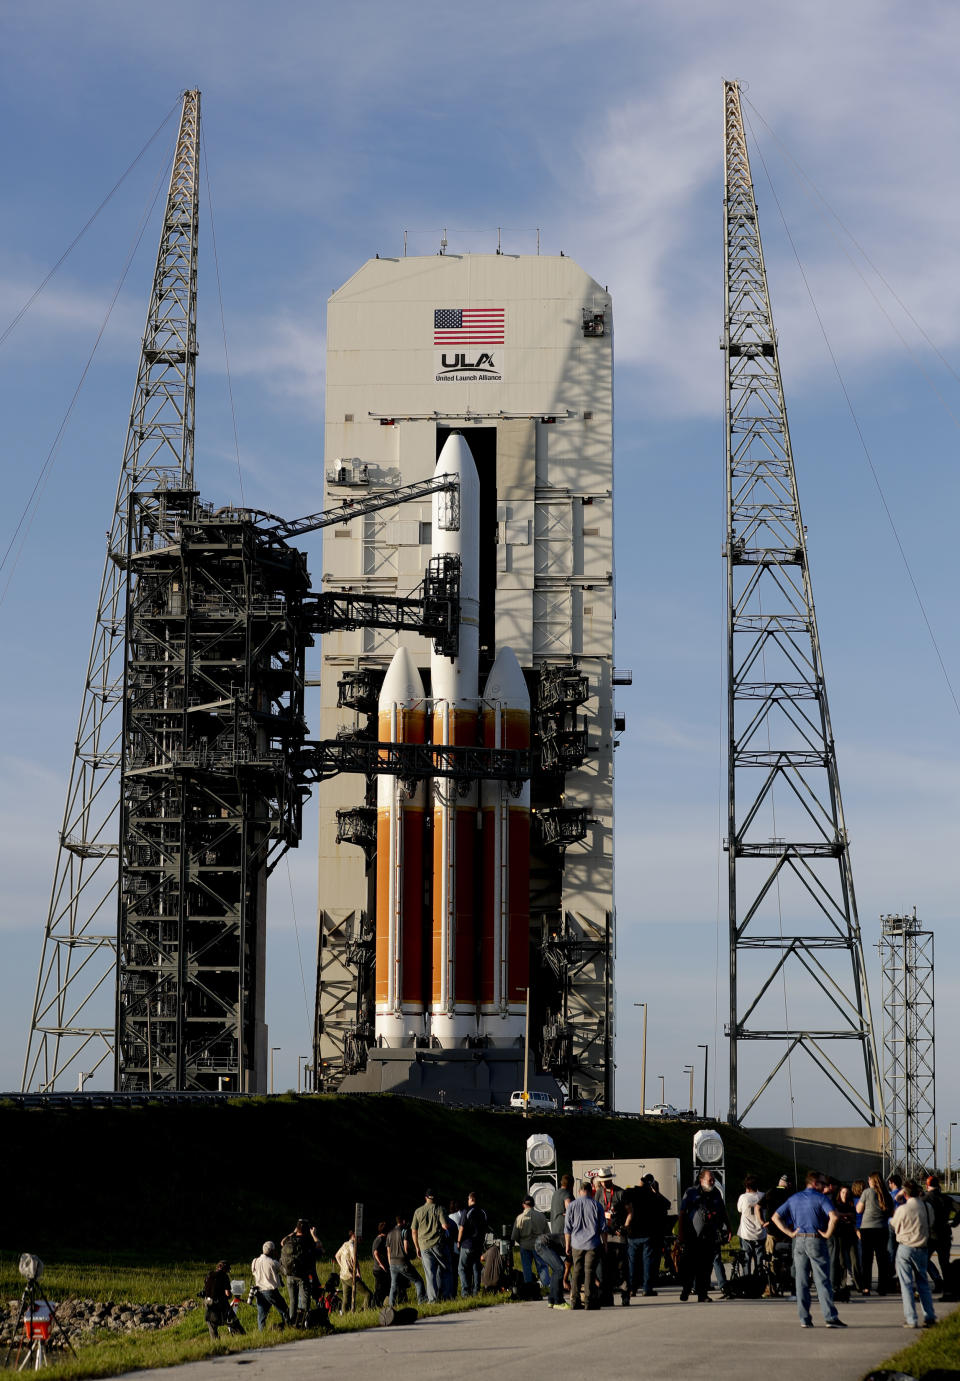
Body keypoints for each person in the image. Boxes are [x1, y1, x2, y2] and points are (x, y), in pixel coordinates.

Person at [772, 1170, 845, 1329]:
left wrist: (789, 1232)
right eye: (822, 1183)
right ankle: (830, 1317)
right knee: (822, 1280)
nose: (825, 1186)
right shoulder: (821, 1198)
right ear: (814, 1183)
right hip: (815, 1239)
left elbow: (775, 1217)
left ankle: (804, 1318)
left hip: (798, 1241)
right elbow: (834, 1216)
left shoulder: (794, 1198)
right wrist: (827, 1234)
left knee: (801, 1280)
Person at [891, 1179, 937, 1329]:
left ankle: (911, 1318)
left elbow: (894, 1225)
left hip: (905, 1247)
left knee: (906, 1284)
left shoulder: (902, 1209)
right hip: (922, 1247)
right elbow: (930, 1223)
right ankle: (929, 1315)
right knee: (923, 1282)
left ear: (905, 1194)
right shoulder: (927, 1206)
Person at [677, 1169, 726, 1302]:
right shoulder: (691, 1193)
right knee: (690, 1265)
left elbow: (722, 1211)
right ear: (701, 1180)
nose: (712, 1182)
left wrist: (727, 1227)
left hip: (709, 1237)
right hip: (692, 1237)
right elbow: (682, 1213)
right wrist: (681, 1234)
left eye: (713, 1179)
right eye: (710, 1179)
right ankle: (686, 1288)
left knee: (706, 1267)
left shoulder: (716, 1193)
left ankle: (702, 1294)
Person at [622, 1174, 669, 1296]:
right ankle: (647, 1289)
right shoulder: (652, 1195)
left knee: (633, 1262)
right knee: (647, 1262)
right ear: (651, 1184)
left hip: (633, 1233)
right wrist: (656, 1192)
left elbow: (623, 1204)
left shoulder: (630, 1192)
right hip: (648, 1233)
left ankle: (632, 1289)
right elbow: (667, 1204)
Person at [565, 1181, 607, 1310]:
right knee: (589, 1272)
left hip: (576, 1244)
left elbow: (567, 1228)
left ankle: (574, 1300)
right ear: (591, 1191)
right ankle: (589, 1301)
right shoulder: (597, 1205)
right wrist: (605, 1244)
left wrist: (568, 1245)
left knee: (577, 1271)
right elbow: (603, 1228)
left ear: (579, 1192)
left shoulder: (572, 1206)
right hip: (592, 1244)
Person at [593, 1167, 629, 1305]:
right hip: (604, 1235)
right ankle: (608, 1298)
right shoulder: (598, 1194)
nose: (604, 1183)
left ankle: (625, 1295)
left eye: (606, 1181)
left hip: (618, 1235)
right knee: (606, 1267)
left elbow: (630, 1212)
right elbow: (595, 1212)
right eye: (602, 1181)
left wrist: (624, 1227)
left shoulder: (620, 1193)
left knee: (621, 1267)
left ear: (610, 1179)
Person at [856, 1172, 893, 1295]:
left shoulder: (867, 1192)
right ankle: (883, 1287)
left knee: (867, 1260)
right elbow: (891, 1212)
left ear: (872, 1180)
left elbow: (859, 1209)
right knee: (882, 1260)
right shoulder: (886, 1194)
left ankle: (866, 1287)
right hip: (882, 1229)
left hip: (867, 1229)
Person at [411, 1188, 451, 1301]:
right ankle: (446, 1296)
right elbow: (445, 1226)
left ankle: (432, 1299)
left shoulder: (418, 1211)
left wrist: (416, 1247)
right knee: (446, 1269)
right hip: (438, 1244)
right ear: (435, 1198)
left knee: (430, 1274)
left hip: (424, 1246)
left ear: (426, 1197)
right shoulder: (439, 1209)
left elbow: (414, 1231)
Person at [280, 1218, 322, 1323]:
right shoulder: (307, 1240)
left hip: (289, 1274)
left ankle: (292, 1322)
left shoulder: (290, 1239)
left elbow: (282, 1242)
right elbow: (319, 1246)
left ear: (297, 1228)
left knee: (293, 1301)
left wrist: (293, 1232)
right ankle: (304, 1322)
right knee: (305, 1300)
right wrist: (314, 1235)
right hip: (303, 1275)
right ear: (307, 1229)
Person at [922, 1176, 958, 1297]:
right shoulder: (947, 1199)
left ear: (927, 1186)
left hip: (930, 1236)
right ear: (939, 1185)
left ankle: (937, 1280)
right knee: (945, 1263)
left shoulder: (925, 1199)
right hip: (944, 1234)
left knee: (923, 1261)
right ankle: (948, 1288)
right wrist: (955, 1222)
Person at [386, 1214, 426, 1307]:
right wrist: (411, 1255)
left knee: (393, 1286)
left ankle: (391, 1306)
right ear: (403, 1221)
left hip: (392, 1263)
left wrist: (390, 1264)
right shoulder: (404, 1231)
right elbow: (406, 1248)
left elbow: (388, 1251)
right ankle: (421, 1301)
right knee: (418, 1280)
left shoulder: (389, 1233)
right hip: (402, 1262)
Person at [512, 1195, 551, 1289]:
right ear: (533, 1204)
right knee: (542, 1267)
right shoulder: (541, 1216)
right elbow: (547, 1234)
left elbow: (515, 1236)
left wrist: (521, 1242)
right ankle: (546, 1286)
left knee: (526, 1268)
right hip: (539, 1245)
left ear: (523, 1205)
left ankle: (529, 1288)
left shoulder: (519, 1218)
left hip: (525, 1245)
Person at [250, 1241, 290, 1332]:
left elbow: (253, 1273)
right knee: (284, 1310)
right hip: (270, 1291)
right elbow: (285, 1272)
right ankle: (289, 1327)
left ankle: (262, 1333)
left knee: (261, 1316)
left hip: (259, 1291)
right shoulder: (273, 1262)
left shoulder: (255, 1261)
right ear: (272, 1251)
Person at [202, 1261, 245, 1341]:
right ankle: (244, 1337)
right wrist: (230, 1295)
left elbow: (206, 1288)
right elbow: (227, 1293)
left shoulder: (209, 1274)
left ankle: (215, 1344)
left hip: (208, 1303)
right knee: (233, 1321)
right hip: (221, 1304)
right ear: (225, 1269)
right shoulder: (224, 1276)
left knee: (212, 1326)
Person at [457, 1191, 488, 1298]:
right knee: (475, 1267)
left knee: (462, 1268)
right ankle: (476, 1290)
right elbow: (485, 1228)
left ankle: (465, 1291)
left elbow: (461, 1228)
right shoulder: (483, 1212)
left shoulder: (467, 1211)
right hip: (478, 1244)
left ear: (470, 1199)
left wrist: (458, 1241)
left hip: (467, 1243)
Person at [335, 1230, 372, 1313]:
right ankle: (364, 1312)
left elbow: (337, 1255)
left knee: (346, 1299)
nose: (361, 1239)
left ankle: (344, 1315)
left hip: (343, 1276)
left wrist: (342, 1267)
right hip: (351, 1276)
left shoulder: (345, 1244)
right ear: (354, 1236)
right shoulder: (352, 1246)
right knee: (368, 1294)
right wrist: (358, 1273)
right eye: (359, 1237)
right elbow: (354, 1260)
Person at [736, 1175, 766, 1276]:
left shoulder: (743, 1197)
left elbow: (739, 1210)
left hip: (746, 1233)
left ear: (747, 1187)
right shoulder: (763, 1196)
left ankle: (747, 1281)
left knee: (746, 1259)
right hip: (760, 1233)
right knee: (759, 1259)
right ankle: (759, 1280)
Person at [371, 1222, 391, 1307]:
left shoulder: (382, 1239)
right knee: (379, 1289)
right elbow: (376, 1253)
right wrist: (381, 1264)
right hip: (379, 1269)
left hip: (380, 1269)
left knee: (384, 1288)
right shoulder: (380, 1239)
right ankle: (374, 1305)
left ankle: (379, 1304)